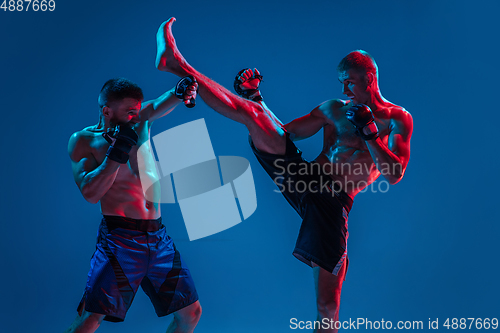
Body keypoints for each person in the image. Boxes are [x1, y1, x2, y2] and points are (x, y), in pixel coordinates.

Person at [156, 17, 413, 332]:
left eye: (350, 82)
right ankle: (176, 63)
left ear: (370, 78)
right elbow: (285, 133)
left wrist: (370, 133)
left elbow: (395, 173)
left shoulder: (397, 118)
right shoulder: (334, 108)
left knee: (327, 307)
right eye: (342, 82)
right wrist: (258, 100)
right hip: (302, 176)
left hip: (333, 202)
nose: (345, 89)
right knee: (252, 115)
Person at [65, 76, 201, 333]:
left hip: (158, 238)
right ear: (107, 111)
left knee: (191, 312)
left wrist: (179, 90)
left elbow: (159, 104)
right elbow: (90, 193)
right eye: (129, 112)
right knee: (90, 319)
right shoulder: (84, 141)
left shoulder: (140, 121)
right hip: (120, 240)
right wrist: (115, 154)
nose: (135, 116)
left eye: (136, 111)